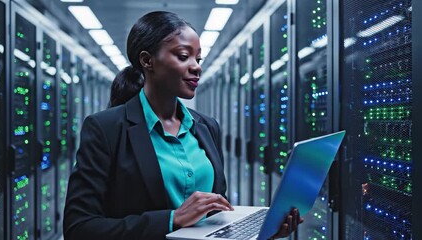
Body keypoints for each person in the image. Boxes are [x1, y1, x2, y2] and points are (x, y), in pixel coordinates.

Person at [63, 11, 303, 240]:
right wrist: (172, 220)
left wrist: (262, 232)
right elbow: (79, 228)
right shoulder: (106, 128)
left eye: (198, 58)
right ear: (148, 61)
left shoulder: (207, 127)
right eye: (183, 56)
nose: (196, 66)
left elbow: (218, 215)